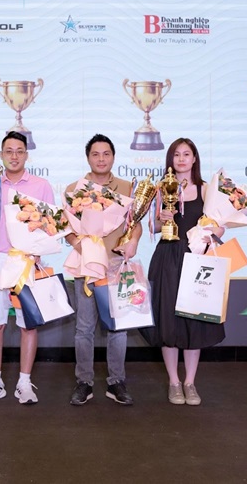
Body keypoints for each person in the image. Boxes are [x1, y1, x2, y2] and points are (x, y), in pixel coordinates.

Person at [139, 138, 225, 406]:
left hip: (196, 260)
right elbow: (153, 227)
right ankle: (174, 382)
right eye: (176, 154)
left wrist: (211, 233)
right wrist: (161, 219)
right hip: (167, 258)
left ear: (194, 158)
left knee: (194, 320)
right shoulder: (161, 188)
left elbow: (221, 226)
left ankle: (190, 382)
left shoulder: (207, 189)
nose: (181, 159)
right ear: (170, 159)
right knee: (168, 320)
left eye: (187, 154)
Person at [0, 131, 55, 405]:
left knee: (27, 325)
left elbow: (52, 225)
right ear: (1, 155)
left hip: (28, 261)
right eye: (9, 151)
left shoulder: (41, 185)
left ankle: (24, 382)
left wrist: (39, 250)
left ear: (26, 155)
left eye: (19, 151)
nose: (14, 156)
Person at [66, 134, 142, 406]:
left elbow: (136, 223)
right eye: (95, 154)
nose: (101, 159)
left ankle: (116, 382)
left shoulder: (127, 187)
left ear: (113, 157)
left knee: (118, 328)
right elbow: (67, 228)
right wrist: (79, 245)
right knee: (84, 328)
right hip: (87, 267)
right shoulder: (75, 189)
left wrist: (133, 241)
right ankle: (84, 382)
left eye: (106, 153)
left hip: (117, 267)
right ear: (88, 158)